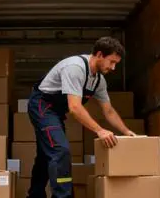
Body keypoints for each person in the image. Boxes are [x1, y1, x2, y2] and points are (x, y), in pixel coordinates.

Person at [26, 36, 136, 198]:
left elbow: (109, 111)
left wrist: (127, 132)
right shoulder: (75, 68)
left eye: (116, 64)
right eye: (111, 62)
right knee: (60, 150)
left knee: (46, 153)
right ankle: (63, 196)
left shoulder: (98, 81)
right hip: (42, 106)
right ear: (99, 55)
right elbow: (75, 108)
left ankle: (35, 195)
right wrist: (100, 130)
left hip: (54, 112)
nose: (113, 68)